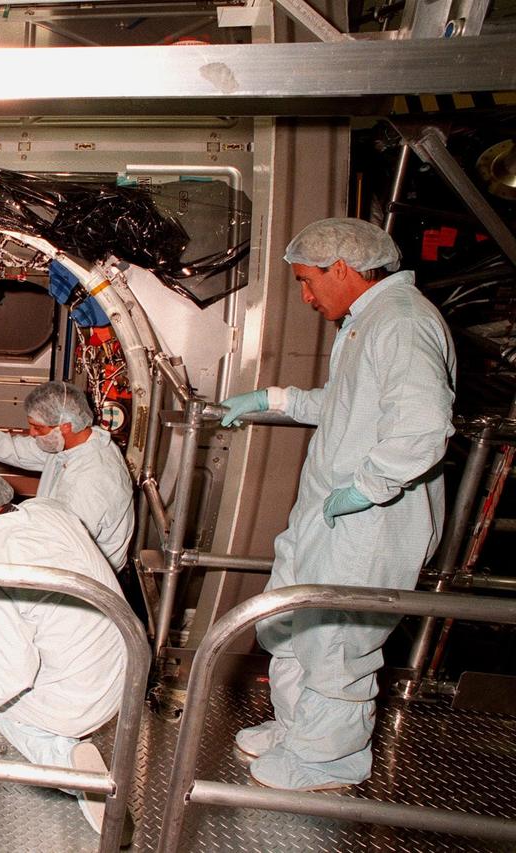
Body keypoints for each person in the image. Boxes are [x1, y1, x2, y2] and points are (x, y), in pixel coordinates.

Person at [218, 217, 456, 791]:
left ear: (343, 268)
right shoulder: (369, 320)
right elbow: (346, 405)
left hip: (373, 521)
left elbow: (423, 425)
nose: (305, 296)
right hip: (332, 514)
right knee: (290, 621)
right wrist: (274, 398)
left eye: (307, 281)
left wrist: (368, 488)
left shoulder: (402, 322)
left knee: (338, 641)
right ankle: (298, 730)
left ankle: (330, 759)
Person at [0, 457, 132, 843]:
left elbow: (9, 678)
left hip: (81, 698)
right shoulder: (45, 509)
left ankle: (67, 765)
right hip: (124, 666)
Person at [0, 381, 134, 571]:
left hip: (81, 575)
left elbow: (61, 549)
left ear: (65, 426)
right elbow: (14, 448)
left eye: (38, 428)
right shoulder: (74, 444)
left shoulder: (92, 479)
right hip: (56, 553)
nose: (32, 433)